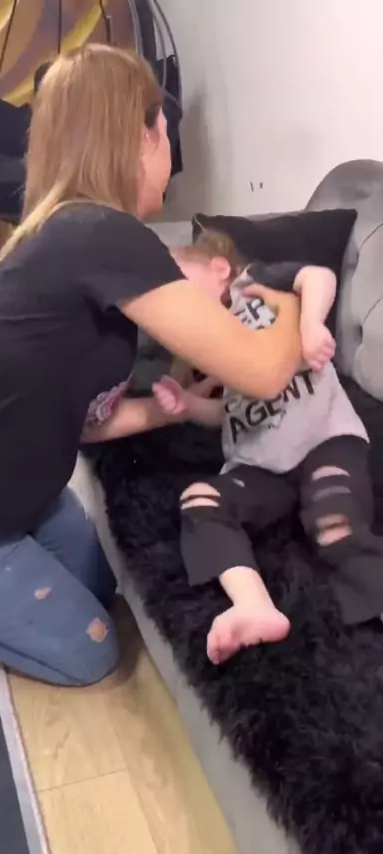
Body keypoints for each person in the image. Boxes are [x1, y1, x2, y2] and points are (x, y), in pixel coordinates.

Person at [0, 46, 301, 683]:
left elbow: (87, 423)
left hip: (24, 498)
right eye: (165, 128)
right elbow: (266, 373)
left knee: (101, 591)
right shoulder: (101, 234)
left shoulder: (72, 232)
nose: (170, 148)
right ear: (141, 137)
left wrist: (176, 409)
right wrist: (290, 292)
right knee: (93, 655)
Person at [152, 230, 382, 666]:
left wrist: (311, 325)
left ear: (220, 270)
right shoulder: (210, 345)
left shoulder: (252, 285)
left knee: (336, 524)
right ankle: (252, 605)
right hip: (260, 466)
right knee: (199, 499)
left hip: (323, 439)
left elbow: (317, 276)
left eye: (178, 285)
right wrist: (188, 406)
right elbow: (229, 413)